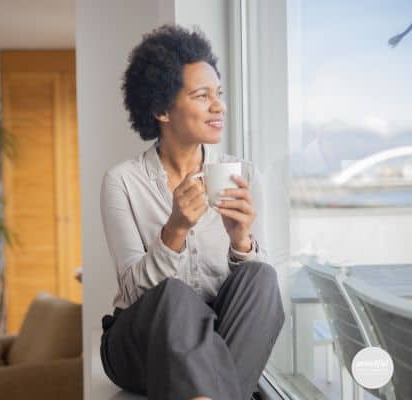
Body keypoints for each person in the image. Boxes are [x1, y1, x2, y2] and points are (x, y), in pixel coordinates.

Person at [99, 25, 285, 400]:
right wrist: (175, 230)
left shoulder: (243, 174)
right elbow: (136, 293)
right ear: (160, 109)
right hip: (138, 343)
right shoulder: (122, 181)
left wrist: (241, 241)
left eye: (219, 94)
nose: (219, 107)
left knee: (262, 276)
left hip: (217, 335)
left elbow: (256, 304)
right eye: (202, 96)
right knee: (175, 295)